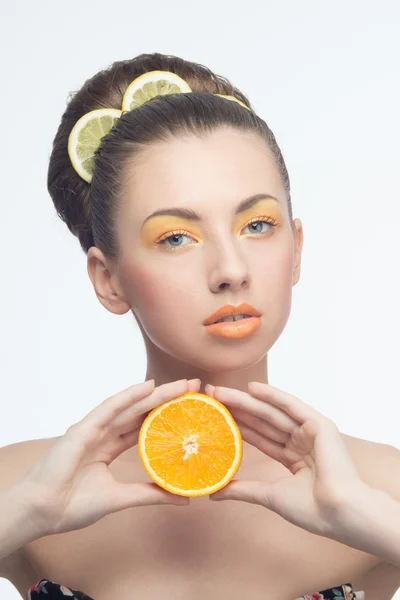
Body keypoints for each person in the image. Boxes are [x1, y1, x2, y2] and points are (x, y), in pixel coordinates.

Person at [1, 51, 400, 600]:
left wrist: (378, 524)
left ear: (297, 249)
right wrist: (23, 514)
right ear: (107, 279)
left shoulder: (383, 488)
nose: (232, 271)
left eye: (258, 225)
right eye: (175, 238)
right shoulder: (23, 484)